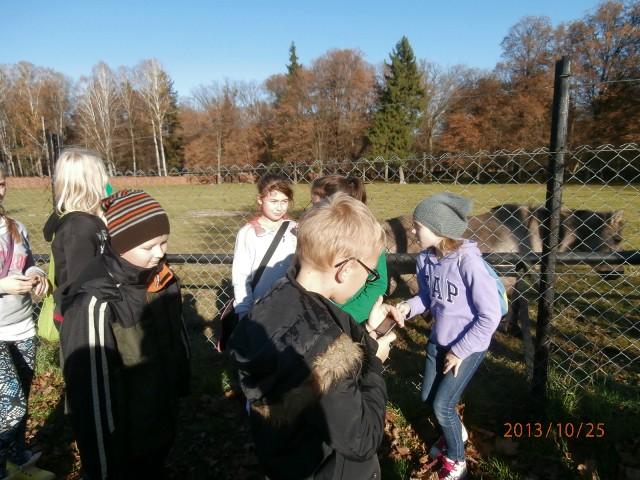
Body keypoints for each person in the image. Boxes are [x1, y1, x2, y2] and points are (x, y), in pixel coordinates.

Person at [229, 193, 403, 480]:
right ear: (346, 269)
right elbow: (360, 439)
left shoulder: (277, 300)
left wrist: (369, 336)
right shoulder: (325, 350)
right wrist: (375, 364)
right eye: (369, 274)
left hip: (285, 460)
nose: (369, 281)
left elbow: (320, 344)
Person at [59, 189, 190, 480]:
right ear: (119, 244)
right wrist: (103, 468)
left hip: (158, 424)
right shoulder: (95, 303)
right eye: (149, 247)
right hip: (122, 441)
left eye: (164, 243)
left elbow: (176, 342)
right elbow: (89, 398)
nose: (159, 253)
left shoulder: (163, 281)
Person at [396, 193, 502, 480]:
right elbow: (428, 299)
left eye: (418, 225)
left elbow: (489, 316)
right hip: (437, 342)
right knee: (429, 397)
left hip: (467, 348)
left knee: (443, 406)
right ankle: (453, 432)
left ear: (439, 228)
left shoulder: (468, 263)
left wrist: (460, 350)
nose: (414, 230)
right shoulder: (426, 260)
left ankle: (457, 460)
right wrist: (407, 307)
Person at [0, 163, 49, 479]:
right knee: (10, 404)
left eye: (1, 183)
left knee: (21, 401)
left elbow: (29, 263)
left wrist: (38, 275)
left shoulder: (16, 227)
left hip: (23, 327)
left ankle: (17, 460)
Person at [42, 148, 110, 327]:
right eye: (102, 174)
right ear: (92, 181)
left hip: (90, 311)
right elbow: (81, 282)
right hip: (82, 318)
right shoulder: (79, 228)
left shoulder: (88, 221)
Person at [310, 175, 388, 323]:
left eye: (317, 206)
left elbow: (377, 283)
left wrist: (345, 316)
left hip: (350, 320)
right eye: (312, 205)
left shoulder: (370, 240)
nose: (312, 211)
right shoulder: (313, 238)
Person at [232, 173, 297, 319]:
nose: (279, 207)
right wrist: (243, 310)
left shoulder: (295, 230)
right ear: (260, 200)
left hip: (290, 307)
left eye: (284, 201)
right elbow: (241, 276)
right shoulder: (248, 233)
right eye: (273, 201)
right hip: (258, 308)